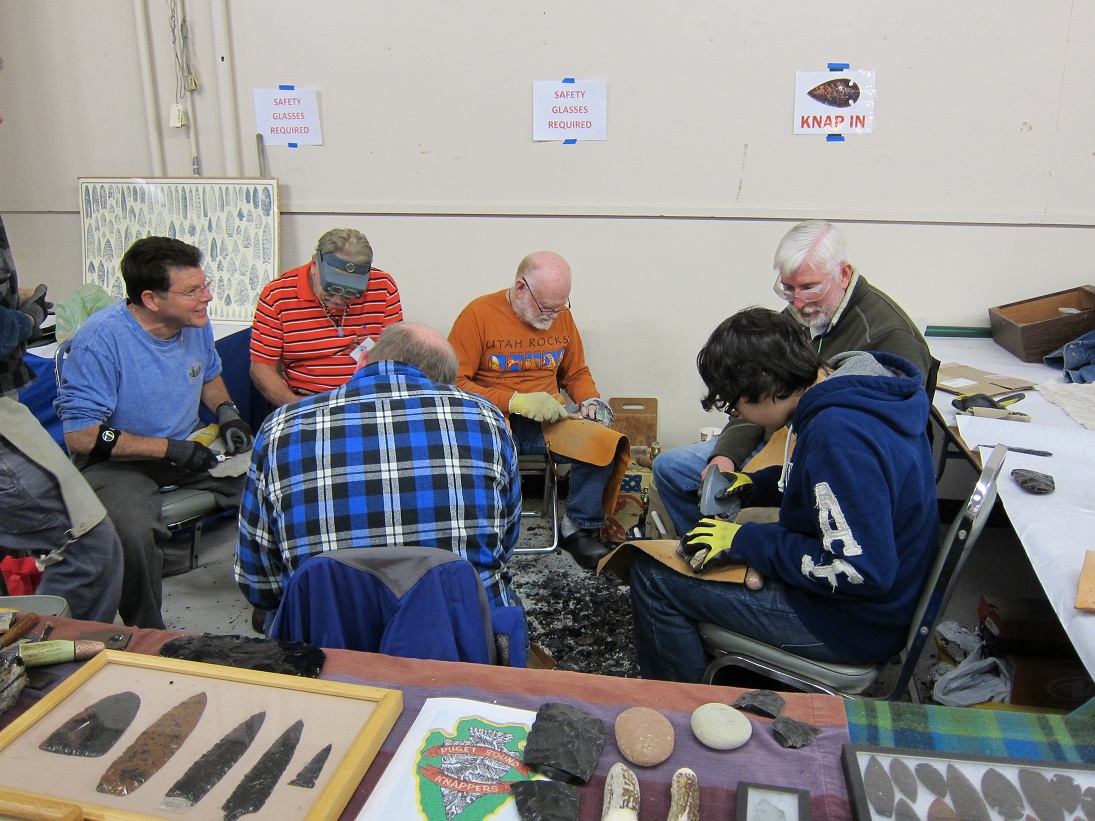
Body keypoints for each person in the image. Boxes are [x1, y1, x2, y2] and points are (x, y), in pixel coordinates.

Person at [630, 307, 939, 683]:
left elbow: (860, 571)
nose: (738, 414)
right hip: (877, 602)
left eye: (735, 404)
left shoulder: (837, 434)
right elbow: (842, 490)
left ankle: (685, 705)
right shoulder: (861, 388)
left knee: (651, 575)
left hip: (851, 622)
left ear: (766, 387)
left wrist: (744, 540)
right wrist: (757, 485)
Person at [654, 220, 932, 536]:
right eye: (788, 288)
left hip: (824, 449)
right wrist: (726, 456)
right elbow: (754, 391)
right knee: (672, 469)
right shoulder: (800, 315)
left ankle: (725, 550)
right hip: (789, 436)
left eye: (809, 287)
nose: (797, 302)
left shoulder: (890, 336)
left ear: (843, 274)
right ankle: (706, 546)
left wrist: (746, 540)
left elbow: (881, 454)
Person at [235, 322, 522, 623]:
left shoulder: (280, 428)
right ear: (443, 385)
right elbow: (503, 543)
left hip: (324, 637)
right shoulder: (486, 418)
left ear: (363, 360)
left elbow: (258, 581)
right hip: (464, 632)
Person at [54, 236, 253, 629]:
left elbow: (208, 374)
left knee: (277, 482)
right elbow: (83, 437)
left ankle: (273, 595)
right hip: (116, 462)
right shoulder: (100, 340)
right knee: (132, 532)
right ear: (151, 299)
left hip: (187, 444)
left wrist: (227, 413)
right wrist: (168, 449)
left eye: (205, 285)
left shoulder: (193, 322)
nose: (207, 297)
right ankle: (147, 632)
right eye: (193, 291)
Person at [448, 251, 620, 570]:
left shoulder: (560, 317)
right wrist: (514, 401)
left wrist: (591, 401)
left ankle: (577, 527)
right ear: (521, 288)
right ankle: (482, 533)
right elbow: (453, 383)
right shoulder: (477, 315)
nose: (554, 316)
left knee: (603, 440)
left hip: (548, 419)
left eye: (561, 306)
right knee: (474, 452)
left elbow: (575, 373)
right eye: (547, 307)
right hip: (493, 421)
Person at [0, 213, 123, 623]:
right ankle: (50, 660)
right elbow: (83, 436)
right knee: (88, 547)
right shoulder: (103, 336)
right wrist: (26, 318)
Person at [250, 227, 403, 407]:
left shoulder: (383, 287)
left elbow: (395, 358)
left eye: (351, 293)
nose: (339, 300)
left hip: (367, 398)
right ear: (315, 264)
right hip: (306, 398)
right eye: (331, 288)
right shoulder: (277, 295)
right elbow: (261, 367)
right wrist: (293, 404)